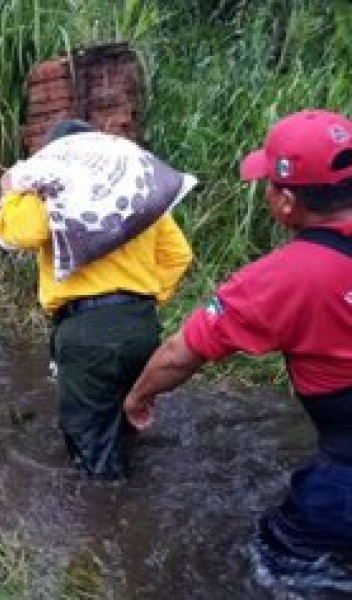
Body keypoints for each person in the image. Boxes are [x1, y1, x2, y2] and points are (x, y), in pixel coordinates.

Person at [123, 109, 352, 592]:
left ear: (287, 201)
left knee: (280, 563)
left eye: (267, 184)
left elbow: (179, 353)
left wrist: (137, 397)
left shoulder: (282, 279)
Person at [0, 119, 193, 480]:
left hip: (86, 330)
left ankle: (106, 522)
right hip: (142, 323)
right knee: (125, 417)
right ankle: (135, 493)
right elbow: (178, 255)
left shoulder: (57, 197)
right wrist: (142, 301)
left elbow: (19, 234)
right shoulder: (138, 198)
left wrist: (11, 190)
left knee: (91, 445)